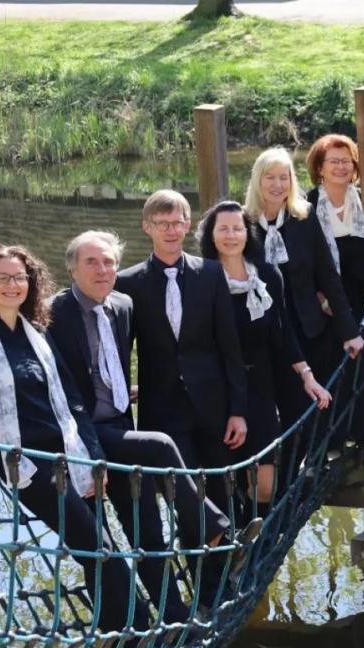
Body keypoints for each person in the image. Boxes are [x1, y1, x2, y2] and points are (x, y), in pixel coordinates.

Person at [0, 245, 147, 639]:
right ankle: (145, 629)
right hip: (29, 464)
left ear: (30, 284)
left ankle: (114, 634)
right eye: (3, 277)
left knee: (97, 549)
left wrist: (96, 459)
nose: (13, 285)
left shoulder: (39, 334)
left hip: (75, 454)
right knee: (100, 549)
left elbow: (74, 402)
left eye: (20, 277)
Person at [47, 231, 231, 625]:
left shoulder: (123, 305)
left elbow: (118, 357)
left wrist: (118, 389)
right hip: (79, 439)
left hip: (119, 427)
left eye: (109, 262)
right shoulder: (52, 314)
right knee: (99, 547)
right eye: (91, 263)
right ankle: (124, 628)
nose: (102, 270)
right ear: (72, 268)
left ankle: (176, 619)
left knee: (147, 533)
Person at [198, 201, 331, 514]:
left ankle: (254, 535)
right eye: (223, 229)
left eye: (237, 228)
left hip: (259, 383)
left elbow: (282, 333)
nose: (231, 235)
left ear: (248, 232)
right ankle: (235, 540)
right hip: (218, 386)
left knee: (265, 481)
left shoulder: (268, 276)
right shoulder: (201, 278)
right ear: (211, 235)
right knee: (226, 474)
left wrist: (307, 375)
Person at [115, 190, 248, 473]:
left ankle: (230, 520)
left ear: (188, 225)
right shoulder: (127, 283)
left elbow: (230, 347)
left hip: (214, 407)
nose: (171, 230)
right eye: (162, 223)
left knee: (223, 488)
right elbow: (121, 355)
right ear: (147, 226)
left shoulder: (211, 274)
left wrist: (238, 411)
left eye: (177, 222)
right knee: (181, 493)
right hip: (162, 411)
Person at [244, 148, 364, 426]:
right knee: (280, 407)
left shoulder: (304, 217)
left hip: (307, 326)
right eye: (270, 178)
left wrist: (349, 330)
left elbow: (327, 275)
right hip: (266, 332)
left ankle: (316, 463)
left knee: (315, 402)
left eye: (284, 177)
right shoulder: (243, 223)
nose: (278, 185)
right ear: (257, 181)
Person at [306, 134, 364, 447]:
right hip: (326, 303)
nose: (340, 167)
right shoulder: (305, 206)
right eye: (332, 161)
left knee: (362, 369)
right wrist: (320, 298)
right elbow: (301, 261)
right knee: (331, 367)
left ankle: (363, 433)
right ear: (319, 167)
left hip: (363, 300)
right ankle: (331, 442)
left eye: (346, 160)